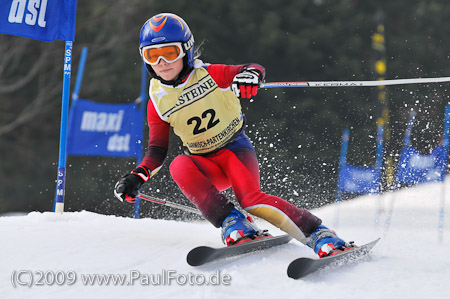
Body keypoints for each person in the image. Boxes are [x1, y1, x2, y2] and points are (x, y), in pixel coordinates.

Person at [114, 13, 354, 257]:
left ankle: (319, 234)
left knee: (251, 199)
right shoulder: (157, 100)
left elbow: (252, 68)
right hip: (207, 164)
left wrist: (249, 77)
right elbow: (157, 150)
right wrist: (136, 177)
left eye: (170, 52)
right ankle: (233, 221)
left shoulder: (209, 74)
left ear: (186, 50)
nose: (163, 62)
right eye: (153, 55)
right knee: (179, 165)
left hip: (234, 152)